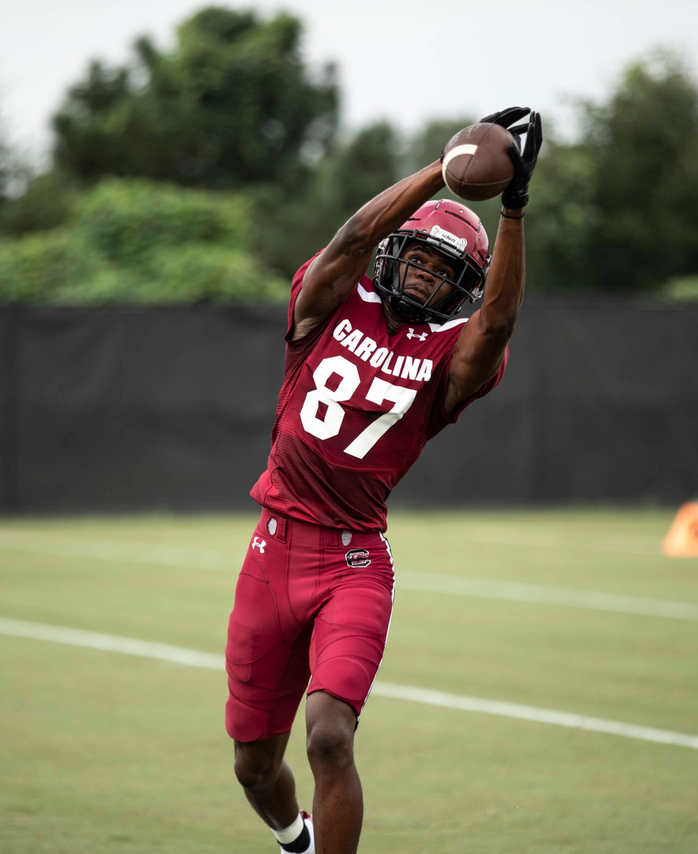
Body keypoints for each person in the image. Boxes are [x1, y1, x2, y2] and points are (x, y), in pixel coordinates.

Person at [225, 107, 542, 854]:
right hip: (271, 554)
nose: (427, 273)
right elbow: (350, 239)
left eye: (444, 271)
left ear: (459, 287)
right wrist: (446, 165)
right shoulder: (331, 300)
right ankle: (293, 838)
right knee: (252, 768)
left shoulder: (449, 358)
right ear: (395, 254)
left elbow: (495, 326)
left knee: (330, 736)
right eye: (419, 258)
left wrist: (516, 209)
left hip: (353, 562)